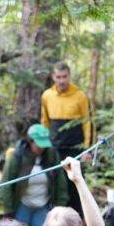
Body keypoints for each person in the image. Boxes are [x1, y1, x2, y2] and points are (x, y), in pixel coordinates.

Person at [0, 123, 68, 226]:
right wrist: (8, 210)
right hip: (22, 205)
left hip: (43, 205)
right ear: (30, 142)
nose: (41, 148)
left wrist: (60, 206)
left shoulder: (51, 155)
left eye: (44, 145)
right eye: (38, 145)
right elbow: (7, 184)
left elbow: (60, 181)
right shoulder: (17, 156)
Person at [40, 61, 95, 217]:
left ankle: (78, 219)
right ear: (53, 77)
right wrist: (43, 146)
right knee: (54, 183)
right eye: (58, 77)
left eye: (64, 77)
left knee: (75, 184)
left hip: (75, 148)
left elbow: (87, 123)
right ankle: (55, 218)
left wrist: (87, 149)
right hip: (54, 146)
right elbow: (45, 122)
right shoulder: (47, 96)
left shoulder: (80, 96)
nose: (62, 80)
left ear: (69, 76)